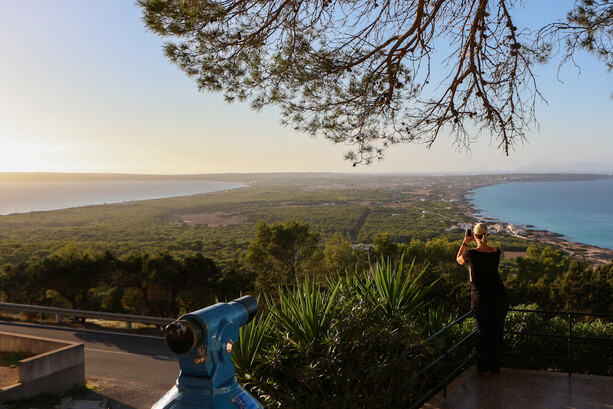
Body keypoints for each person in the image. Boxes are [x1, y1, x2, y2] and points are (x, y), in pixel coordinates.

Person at [456, 223, 509, 375]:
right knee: (497, 334)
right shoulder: (496, 251)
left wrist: (466, 242)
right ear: (487, 236)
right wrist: (479, 242)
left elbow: (458, 259)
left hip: (481, 300)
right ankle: (495, 367)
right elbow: (486, 250)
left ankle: (483, 368)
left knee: (483, 334)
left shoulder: (471, 254)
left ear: (475, 236)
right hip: (500, 298)